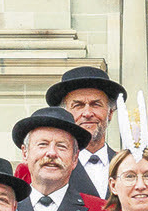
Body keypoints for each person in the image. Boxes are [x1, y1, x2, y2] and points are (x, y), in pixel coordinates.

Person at [9, 106, 110, 211]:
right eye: (42, 145)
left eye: (61, 146)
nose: (51, 153)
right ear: (25, 153)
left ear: (75, 158)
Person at [33, 65, 126, 199]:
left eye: (96, 104)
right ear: (65, 114)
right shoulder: (42, 166)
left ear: (110, 113)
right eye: (78, 105)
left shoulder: (126, 165)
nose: (87, 113)